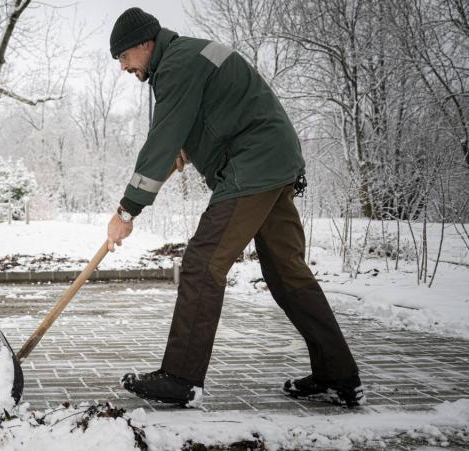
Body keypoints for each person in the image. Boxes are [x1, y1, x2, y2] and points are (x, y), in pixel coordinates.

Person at [105, 7, 364, 408]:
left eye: (123, 57)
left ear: (144, 43)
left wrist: (127, 211)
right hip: (274, 159)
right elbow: (217, 115)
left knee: (202, 262)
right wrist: (187, 149)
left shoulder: (175, 65)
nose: (122, 67)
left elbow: (161, 138)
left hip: (253, 164)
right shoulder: (189, 55)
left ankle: (181, 377)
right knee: (285, 272)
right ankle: (338, 372)